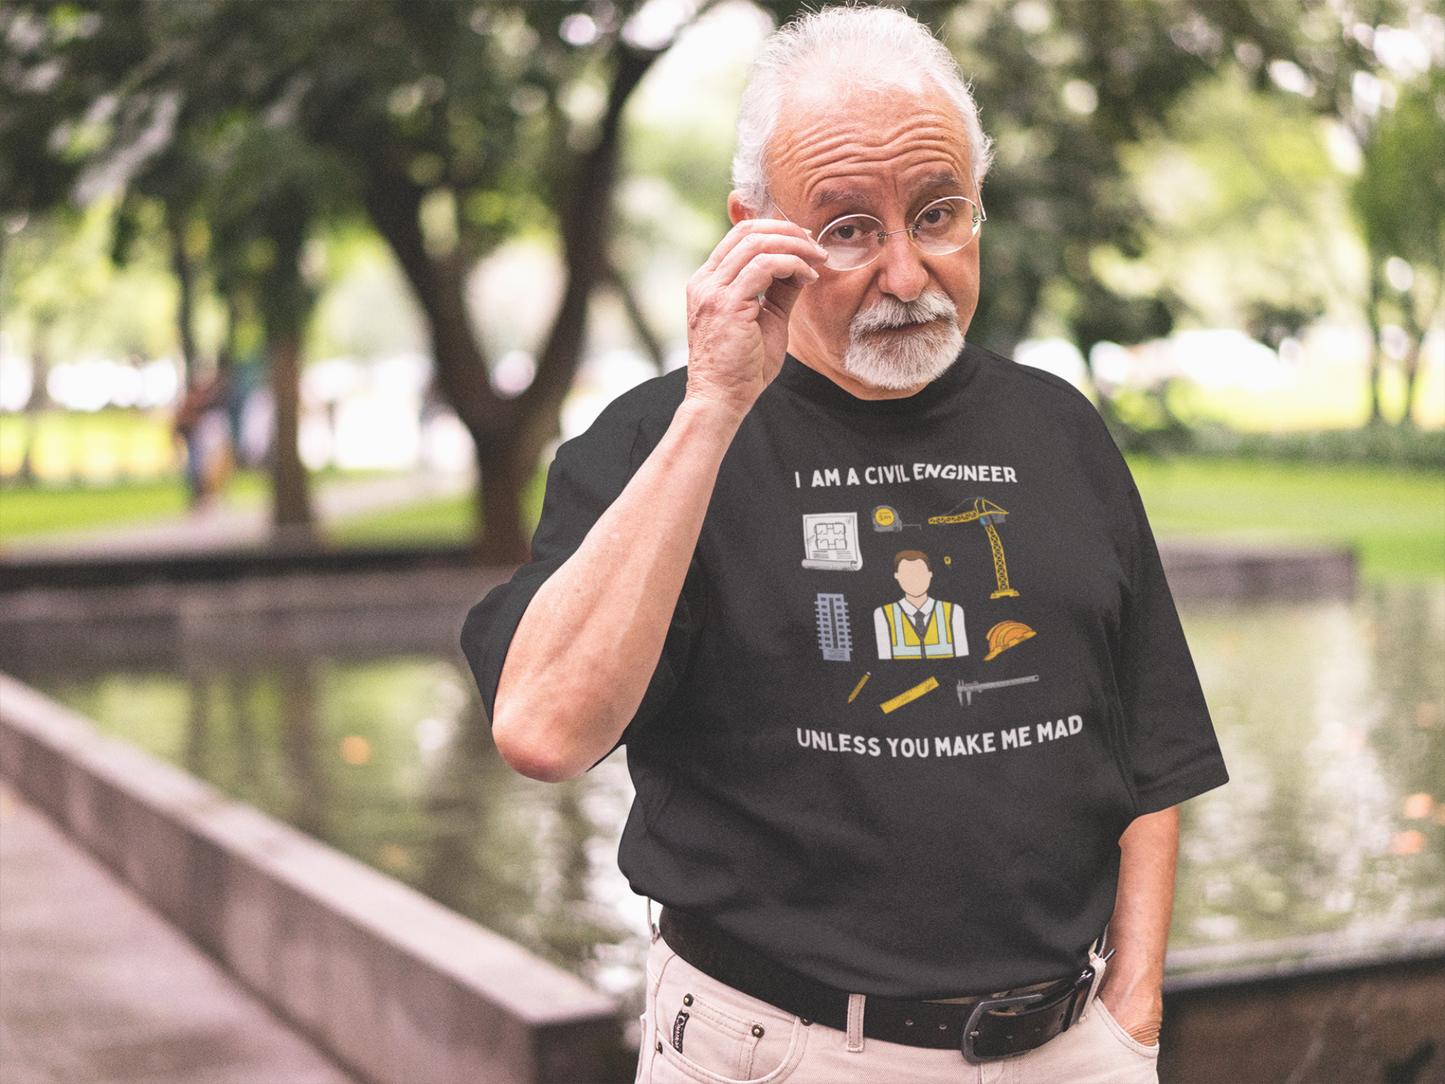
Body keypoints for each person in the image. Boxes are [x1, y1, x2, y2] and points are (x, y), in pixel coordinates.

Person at [462, 7, 1227, 1081]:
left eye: (937, 214)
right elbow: (541, 728)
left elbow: (1147, 747)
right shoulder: (653, 442)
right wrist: (715, 404)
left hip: (1070, 1050)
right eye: (847, 228)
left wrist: (1131, 1009)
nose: (907, 274)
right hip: (781, 1052)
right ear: (751, 228)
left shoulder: (1058, 429)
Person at [875, 549, 968, 660]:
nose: (914, 579)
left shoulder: (953, 612)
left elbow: (963, 660)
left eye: (919, 572)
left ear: (930, 574)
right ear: (897, 576)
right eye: (907, 574)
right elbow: (884, 662)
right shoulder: (883, 614)